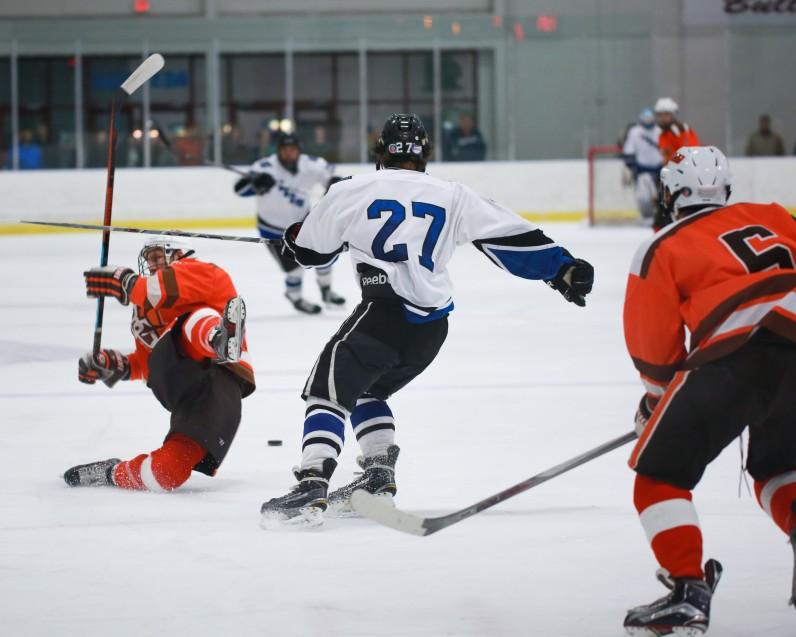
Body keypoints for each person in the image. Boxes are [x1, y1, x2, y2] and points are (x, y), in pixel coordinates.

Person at [259, 113, 594, 528]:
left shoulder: (352, 190)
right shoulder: (453, 195)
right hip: (431, 329)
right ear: (424, 154)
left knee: (325, 388)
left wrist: (294, 240)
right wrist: (563, 269)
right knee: (368, 392)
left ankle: (312, 480)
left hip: (382, 313)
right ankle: (378, 476)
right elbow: (512, 238)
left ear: (380, 151)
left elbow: (312, 252)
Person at [621, 146, 796, 634]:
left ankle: (689, 590)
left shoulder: (661, 246)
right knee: (781, 468)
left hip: (741, 346)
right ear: (726, 191)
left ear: (670, 195)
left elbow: (653, 346)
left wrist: (656, 402)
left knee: (659, 477)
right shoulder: (772, 215)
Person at [63, 237, 255, 493]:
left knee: (164, 474)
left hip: (219, 385)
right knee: (190, 324)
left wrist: (124, 281)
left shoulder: (201, 271)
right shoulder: (144, 307)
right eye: (148, 259)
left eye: (156, 257)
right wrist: (112, 364)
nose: (151, 264)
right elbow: (148, 364)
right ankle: (217, 339)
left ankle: (219, 339)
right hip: (183, 383)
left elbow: (160, 289)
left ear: (177, 252)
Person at [234, 133, 348, 314]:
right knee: (294, 268)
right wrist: (256, 184)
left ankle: (327, 291)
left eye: (292, 150)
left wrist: (333, 184)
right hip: (272, 228)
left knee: (323, 255)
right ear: (278, 151)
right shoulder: (265, 167)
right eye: (285, 150)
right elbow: (240, 190)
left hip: (303, 223)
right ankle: (294, 296)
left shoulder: (312, 164)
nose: (289, 153)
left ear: (299, 151)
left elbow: (332, 178)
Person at [622, 108, 663, 225]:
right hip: (642, 171)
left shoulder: (660, 131)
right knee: (643, 197)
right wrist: (628, 167)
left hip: (660, 171)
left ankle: (659, 217)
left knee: (661, 198)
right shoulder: (635, 132)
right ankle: (647, 218)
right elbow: (629, 150)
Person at [654, 97, 699, 164]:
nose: (663, 118)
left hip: (687, 169)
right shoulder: (662, 135)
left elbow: (689, 152)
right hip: (672, 170)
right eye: (660, 115)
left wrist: (673, 162)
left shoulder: (683, 129)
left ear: (673, 115)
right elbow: (666, 156)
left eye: (666, 114)